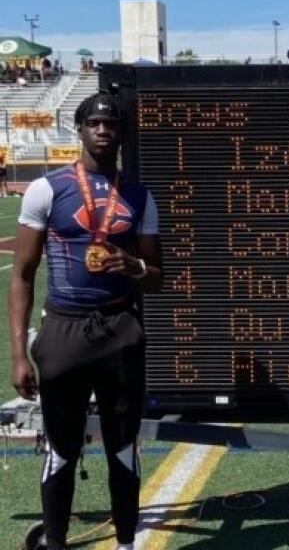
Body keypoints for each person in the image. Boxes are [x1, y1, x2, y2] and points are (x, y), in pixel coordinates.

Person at [8, 92, 162, 550]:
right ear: (78, 130)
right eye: (93, 123)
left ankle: (126, 544)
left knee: (122, 448)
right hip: (64, 330)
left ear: (121, 135)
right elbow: (21, 275)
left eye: (111, 124)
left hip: (118, 330)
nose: (102, 130)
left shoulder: (138, 195)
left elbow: (156, 275)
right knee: (62, 449)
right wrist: (19, 354)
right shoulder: (47, 188)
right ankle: (56, 542)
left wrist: (132, 267)